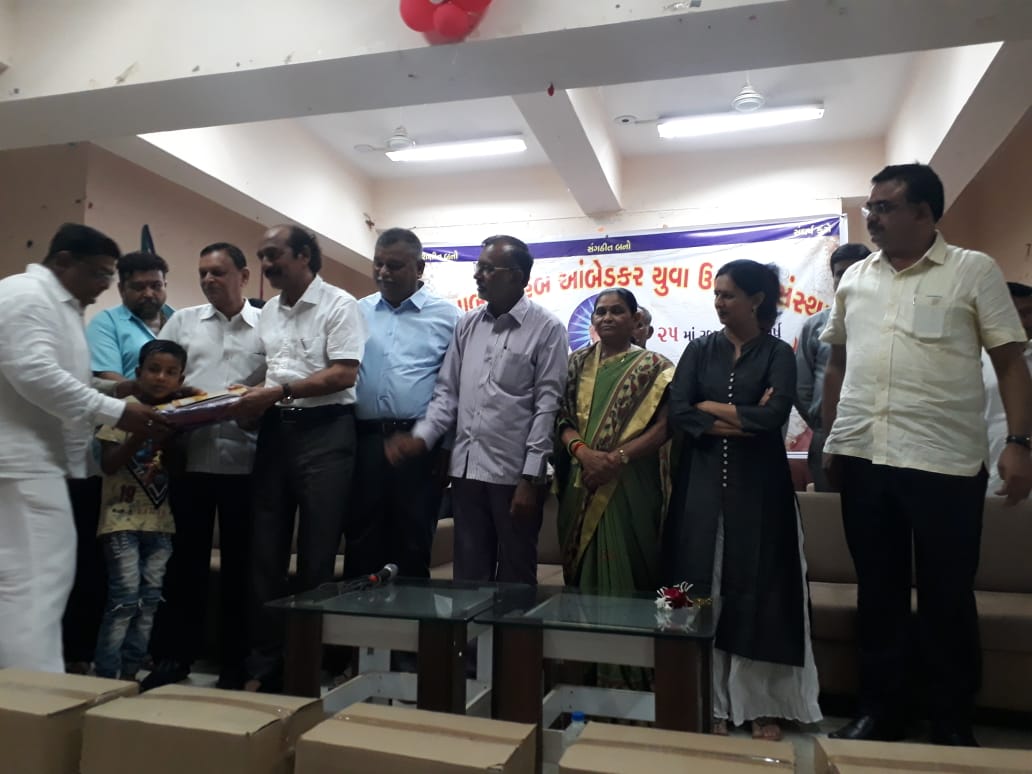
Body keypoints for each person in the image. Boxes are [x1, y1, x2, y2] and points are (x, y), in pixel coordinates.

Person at [822, 164, 1032, 747]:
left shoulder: (973, 270)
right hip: (865, 457)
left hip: (945, 463)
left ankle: (950, 721)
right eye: (871, 207)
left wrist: (1019, 443)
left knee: (947, 596)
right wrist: (832, 437)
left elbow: (1011, 363)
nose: (872, 217)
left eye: (884, 207)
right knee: (878, 592)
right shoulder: (855, 278)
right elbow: (837, 364)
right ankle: (880, 712)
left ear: (924, 213)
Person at [664, 259, 821, 740]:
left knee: (763, 590)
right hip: (699, 487)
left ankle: (761, 705)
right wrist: (739, 417)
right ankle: (705, 699)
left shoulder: (777, 354)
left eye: (728, 294)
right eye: (716, 294)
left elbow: (774, 417)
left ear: (756, 300)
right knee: (695, 586)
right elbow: (678, 410)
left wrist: (709, 407)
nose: (719, 303)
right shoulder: (699, 349)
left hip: (761, 492)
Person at [0, 224, 166, 672]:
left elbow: (63, 379)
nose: (104, 286)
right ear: (63, 261)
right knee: (37, 585)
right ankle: (35, 697)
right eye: (99, 273)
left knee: (24, 585)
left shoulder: (57, 304)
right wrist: (117, 413)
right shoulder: (27, 296)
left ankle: (22, 694)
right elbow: (34, 373)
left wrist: (118, 391)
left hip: (30, 464)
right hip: (22, 465)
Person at [386, 235, 568, 584]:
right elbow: (447, 394)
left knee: (516, 576)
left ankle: (514, 625)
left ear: (516, 276)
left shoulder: (547, 329)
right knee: (469, 576)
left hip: (514, 475)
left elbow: (547, 408)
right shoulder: (467, 325)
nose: (477, 275)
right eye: (477, 267)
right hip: (466, 471)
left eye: (487, 268)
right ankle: (471, 625)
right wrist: (422, 437)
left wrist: (531, 478)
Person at [231, 224, 366, 693]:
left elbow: (344, 374)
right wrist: (245, 398)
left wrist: (277, 392)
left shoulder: (340, 304)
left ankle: (307, 667)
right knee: (264, 554)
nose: (266, 265)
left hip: (326, 432)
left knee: (316, 556)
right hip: (275, 433)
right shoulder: (268, 311)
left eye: (274, 254)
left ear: (305, 255)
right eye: (262, 256)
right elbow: (267, 371)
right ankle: (263, 666)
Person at [144, 242, 264, 691]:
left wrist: (253, 407)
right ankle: (174, 657)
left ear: (243, 276)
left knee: (241, 570)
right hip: (190, 461)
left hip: (247, 463)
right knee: (184, 566)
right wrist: (182, 399)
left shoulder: (267, 326)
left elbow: (277, 385)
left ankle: (236, 663)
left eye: (218, 272)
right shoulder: (183, 322)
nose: (209, 280)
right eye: (203, 274)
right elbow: (162, 381)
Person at [556, 289, 673, 685]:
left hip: (631, 486)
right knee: (583, 575)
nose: (607, 317)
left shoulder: (655, 367)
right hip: (581, 483)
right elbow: (561, 418)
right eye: (601, 311)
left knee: (632, 574)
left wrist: (616, 459)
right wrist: (584, 453)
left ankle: (631, 679)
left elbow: (666, 427)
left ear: (634, 318)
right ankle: (583, 677)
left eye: (617, 311)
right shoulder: (575, 364)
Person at [345, 228, 461, 580]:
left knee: (412, 543)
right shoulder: (357, 311)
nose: (383, 273)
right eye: (378, 264)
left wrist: (445, 447)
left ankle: (411, 617)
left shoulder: (449, 317)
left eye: (394, 265)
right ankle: (357, 614)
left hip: (418, 446)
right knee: (360, 540)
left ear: (419, 267)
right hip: (364, 441)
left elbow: (454, 388)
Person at [93, 339, 185, 679]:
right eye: (154, 369)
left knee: (149, 601)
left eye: (170, 372)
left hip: (160, 524)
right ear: (138, 372)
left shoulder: (177, 414)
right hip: (120, 521)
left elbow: (179, 470)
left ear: (180, 379)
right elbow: (109, 464)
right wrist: (139, 434)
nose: (161, 378)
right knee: (124, 600)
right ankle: (107, 673)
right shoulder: (122, 410)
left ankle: (131, 674)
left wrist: (170, 438)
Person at [794, 243, 870, 490]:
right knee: (830, 508)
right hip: (826, 435)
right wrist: (822, 422)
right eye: (840, 273)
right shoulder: (815, 325)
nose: (847, 279)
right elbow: (801, 387)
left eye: (855, 272)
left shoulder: (886, 323)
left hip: (875, 436)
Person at [87, 251, 175, 381]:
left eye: (156, 286)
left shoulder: (179, 319)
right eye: (139, 287)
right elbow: (108, 378)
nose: (148, 294)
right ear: (121, 289)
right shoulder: (105, 323)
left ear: (165, 285)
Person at [983, 280, 1032, 497]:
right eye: (1015, 314)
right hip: (985, 476)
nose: (1023, 322)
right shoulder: (974, 361)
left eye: (1028, 313)